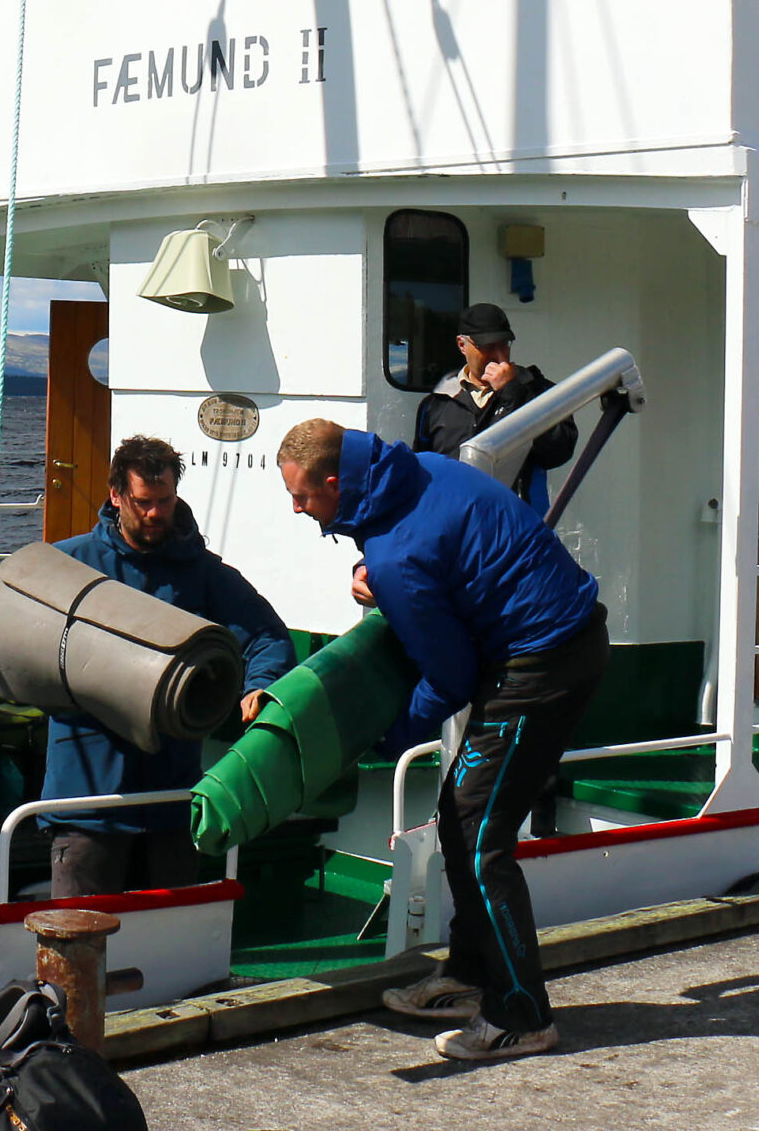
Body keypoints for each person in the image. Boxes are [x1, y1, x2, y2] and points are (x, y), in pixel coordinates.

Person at [276, 416, 608, 1063]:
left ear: (337, 482)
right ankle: (470, 975)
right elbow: (437, 563)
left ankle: (521, 1015)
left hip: (543, 664)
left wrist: (387, 737)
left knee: (478, 838)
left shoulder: (396, 553)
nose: (296, 508)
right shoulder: (415, 471)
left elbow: (451, 676)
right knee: (462, 824)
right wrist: (376, 579)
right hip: (556, 642)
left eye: (303, 496)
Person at [40, 434, 294, 899]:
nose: (156, 513)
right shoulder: (68, 566)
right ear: (116, 496)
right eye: (143, 502)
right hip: (87, 804)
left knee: (170, 943)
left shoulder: (203, 574)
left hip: (171, 805)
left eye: (165, 500)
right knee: (79, 947)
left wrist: (259, 686)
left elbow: (267, 637)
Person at [414, 302, 578, 499]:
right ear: (462, 345)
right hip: (454, 522)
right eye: (488, 346)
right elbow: (420, 468)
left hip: (515, 521)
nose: (499, 356)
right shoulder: (436, 403)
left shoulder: (540, 391)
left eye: (504, 345)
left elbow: (558, 452)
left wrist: (514, 393)